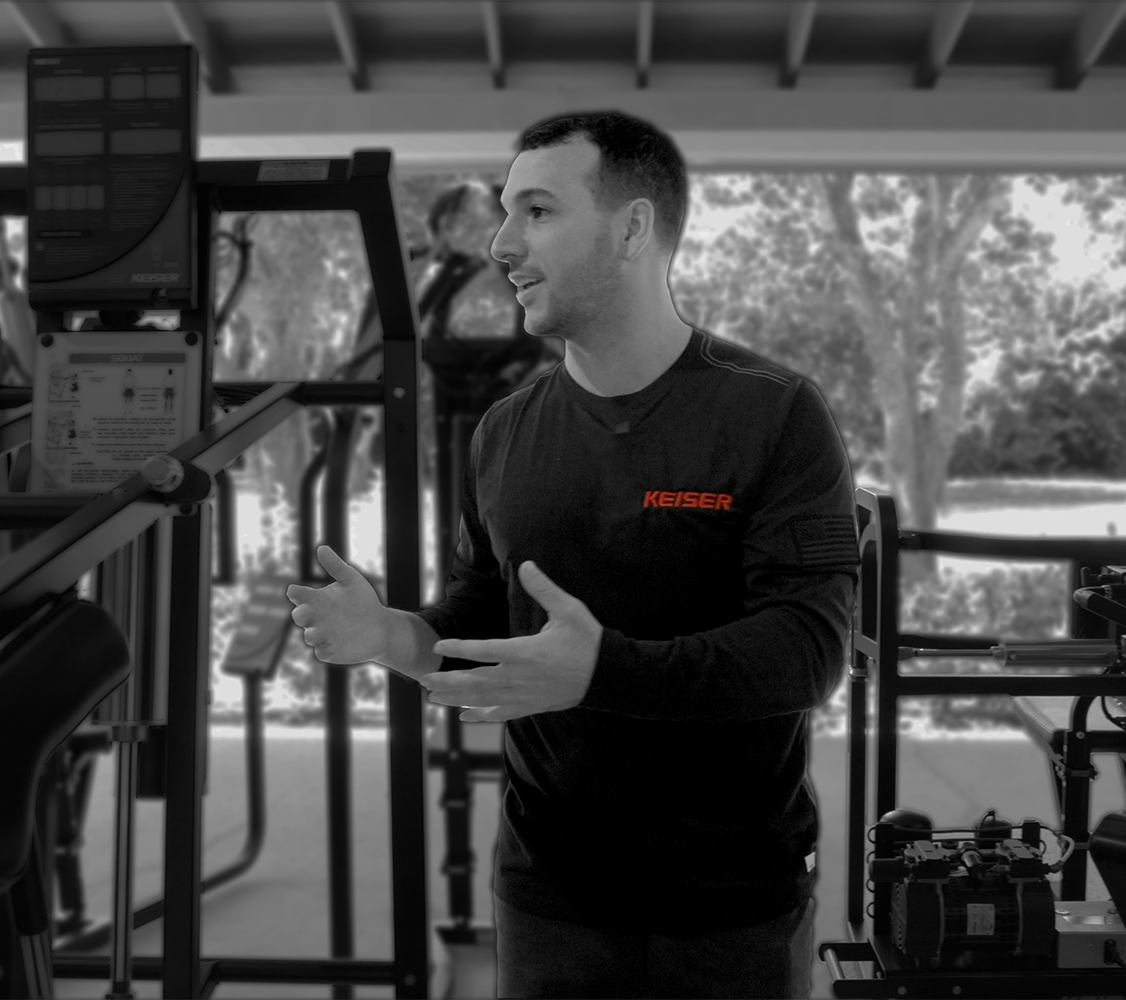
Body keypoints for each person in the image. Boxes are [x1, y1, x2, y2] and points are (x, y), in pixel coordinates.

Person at [288, 110, 856, 999]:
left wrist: (602, 671)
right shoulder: (507, 431)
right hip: (549, 890)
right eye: (506, 212)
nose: (503, 243)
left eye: (539, 212)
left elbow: (809, 652)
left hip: (730, 898)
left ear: (632, 228)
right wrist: (395, 638)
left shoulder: (773, 411)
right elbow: (482, 614)